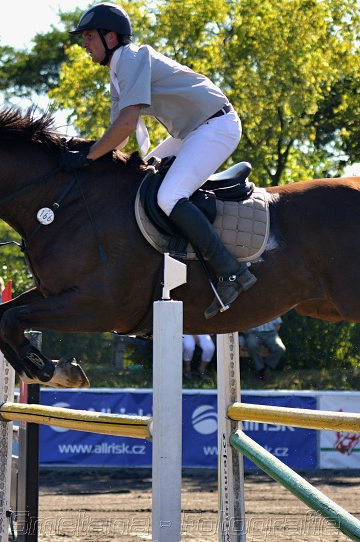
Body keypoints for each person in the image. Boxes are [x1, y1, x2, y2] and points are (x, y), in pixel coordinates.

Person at [65, 3, 255, 319]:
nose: (84, 43)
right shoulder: (117, 73)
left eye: (88, 36)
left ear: (110, 37)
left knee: (168, 196)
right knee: (142, 182)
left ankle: (231, 270)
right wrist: (88, 157)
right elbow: (118, 138)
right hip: (195, 130)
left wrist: (87, 156)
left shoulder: (131, 60)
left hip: (217, 125)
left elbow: (126, 124)